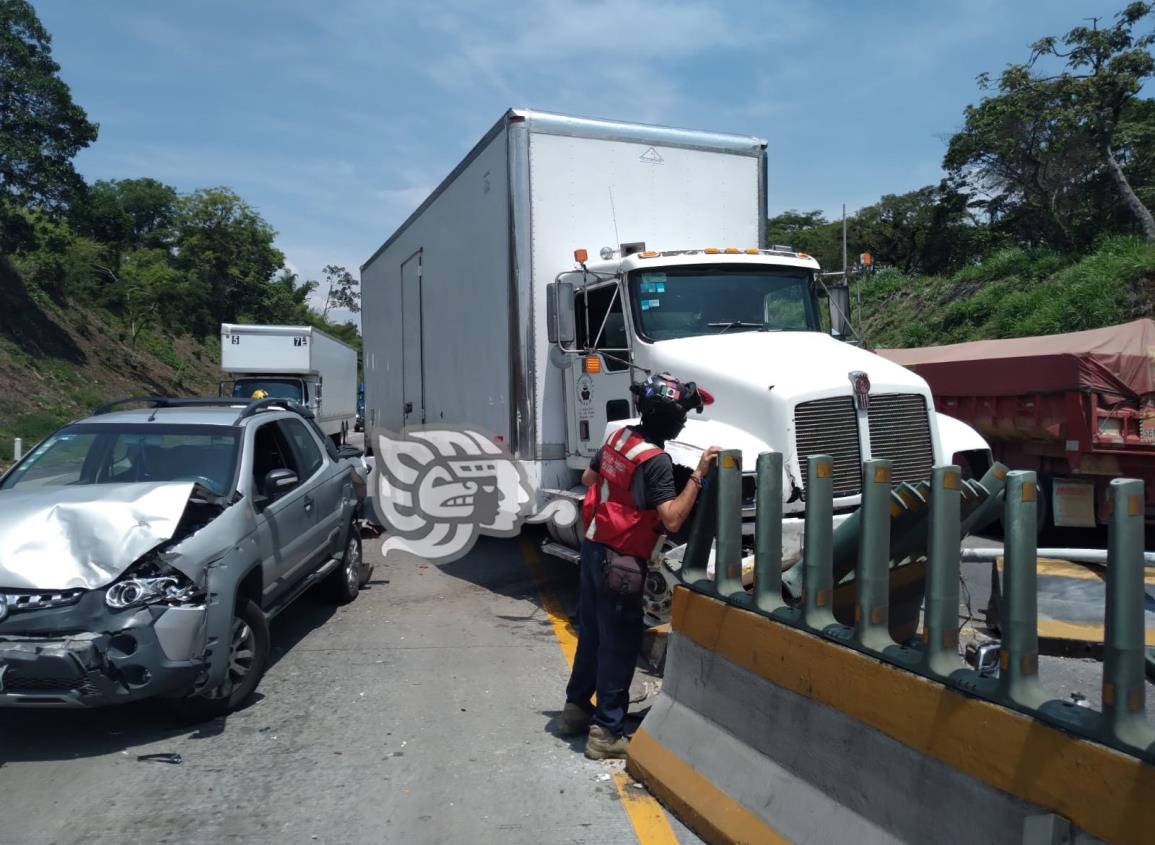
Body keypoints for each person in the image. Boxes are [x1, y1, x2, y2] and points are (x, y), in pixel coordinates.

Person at [559, 371, 720, 760]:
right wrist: (697, 476)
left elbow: (588, 476)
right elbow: (672, 519)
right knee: (620, 644)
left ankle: (575, 710)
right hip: (623, 562)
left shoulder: (618, 439)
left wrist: (625, 496)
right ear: (672, 419)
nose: (684, 420)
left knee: (594, 635)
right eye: (682, 413)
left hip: (595, 547)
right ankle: (606, 732)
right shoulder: (657, 460)